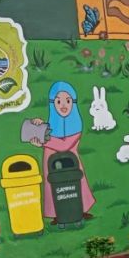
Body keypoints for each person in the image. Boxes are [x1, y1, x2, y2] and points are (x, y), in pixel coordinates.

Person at [31, 81, 96, 221]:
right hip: (51, 163)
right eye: (58, 101)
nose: (63, 105)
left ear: (73, 102)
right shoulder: (52, 124)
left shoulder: (76, 124)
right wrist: (38, 127)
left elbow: (65, 145)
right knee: (52, 186)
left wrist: (44, 141)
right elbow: (48, 136)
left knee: (77, 185)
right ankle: (56, 214)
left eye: (67, 100)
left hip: (70, 162)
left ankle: (82, 209)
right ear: (52, 103)